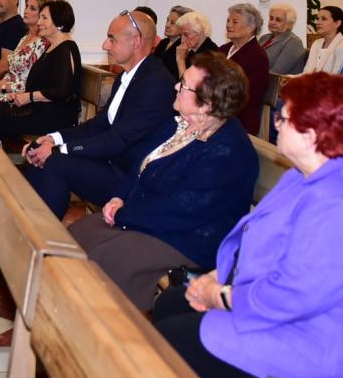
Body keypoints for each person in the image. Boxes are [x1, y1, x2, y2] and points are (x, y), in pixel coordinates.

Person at [151, 73, 343, 378]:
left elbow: (295, 295)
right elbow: (255, 241)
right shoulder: (303, 176)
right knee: (173, 303)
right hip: (285, 318)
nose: (276, 123)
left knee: (175, 339)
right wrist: (215, 277)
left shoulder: (341, 204)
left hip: (320, 340)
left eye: (284, 117)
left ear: (311, 133)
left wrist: (221, 297)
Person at [70, 52, 257, 311]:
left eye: (184, 85)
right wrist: (118, 197)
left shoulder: (228, 151)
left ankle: (104, 335)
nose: (176, 86)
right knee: (76, 237)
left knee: (108, 258)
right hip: (150, 218)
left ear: (206, 104)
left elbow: (182, 209)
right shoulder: (178, 125)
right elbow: (140, 165)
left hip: (189, 239)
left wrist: (125, 214)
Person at [19, 8, 175, 217]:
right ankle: (25, 231)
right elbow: (99, 125)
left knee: (55, 163)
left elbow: (117, 140)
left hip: (133, 179)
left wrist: (58, 150)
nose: (104, 45)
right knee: (41, 156)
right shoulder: (127, 76)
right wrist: (51, 139)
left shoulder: (154, 83)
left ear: (136, 41)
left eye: (112, 39)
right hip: (114, 163)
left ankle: (43, 240)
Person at [0, 0, 83, 142]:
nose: (39, 23)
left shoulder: (66, 48)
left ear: (59, 23)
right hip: (38, 109)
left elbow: (62, 91)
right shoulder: (51, 48)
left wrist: (28, 97)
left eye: (44, 18)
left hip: (54, 117)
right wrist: (20, 96)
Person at [219, 3, 270, 133]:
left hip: (238, 120)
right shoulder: (223, 50)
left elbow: (246, 96)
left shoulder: (257, 56)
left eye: (235, 22)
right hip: (217, 112)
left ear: (251, 27)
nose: (229, 25)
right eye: (228, 21)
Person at [259, 3, 307, 76]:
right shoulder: (264, 38)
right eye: (271, 18)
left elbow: (276, 73)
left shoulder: (293, 42)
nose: (272, 22)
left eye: (278, 20)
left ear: (289, 24)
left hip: (277, 85)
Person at [303, 5, 343, 75]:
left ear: (337, 23)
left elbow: (335, 79)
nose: (318, 22)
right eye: (318, 19)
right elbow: (306, 73)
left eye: (323, 19)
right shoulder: (316, 43)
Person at [172, 10, 218, 79]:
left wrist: (180, 60)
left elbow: (188, 86)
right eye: (181, 35)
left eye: (186, 34)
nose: (182, 40)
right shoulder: (192, 51)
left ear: (200, 31)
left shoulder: (210, 55)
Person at [152, 5, 192, 76]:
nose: (167, 25)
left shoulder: (184, 47)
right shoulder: (163, 42)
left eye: (173, 23)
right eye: (167, 20)